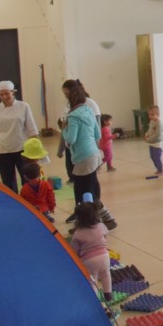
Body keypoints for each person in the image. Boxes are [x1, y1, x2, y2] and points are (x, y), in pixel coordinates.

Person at [62, 80, 116, 229]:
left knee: (81, 192)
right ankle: (107, 218)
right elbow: (97, 134)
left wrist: (64, 129)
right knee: (91, 188)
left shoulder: (73, 116)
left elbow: (71, 138)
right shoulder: (88, 111)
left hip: (82, 157)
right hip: (93, 154)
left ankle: (86, 223)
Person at [0, 80, 39, 193]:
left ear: (13, 92)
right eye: (1, 94)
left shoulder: (23, 106)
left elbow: (32, 129)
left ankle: (28, 203)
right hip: (2, 151)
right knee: (8, 182)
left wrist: (36, 152)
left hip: (22, 149)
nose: (4, 96)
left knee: (27, 179)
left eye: (6, 93)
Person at [57, 79, 101, 185]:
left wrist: (96, 149)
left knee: (86, 182)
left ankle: (89, 200)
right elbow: (65, 128)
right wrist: (61, 149)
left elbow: (97, 131)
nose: (66, 97)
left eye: (67, 94)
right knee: (85, 180)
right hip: (78, 149)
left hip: (85, 150)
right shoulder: (71, 107)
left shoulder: (89, 105)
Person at [70, 199, 112, 303]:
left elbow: (74, 251)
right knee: (106, 274)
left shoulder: (78, 234)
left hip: (89, 260)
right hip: (104, 256)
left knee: (92, 281)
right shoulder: (101, 226)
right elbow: (105, 236)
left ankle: (95, 302)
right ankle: (108, 294)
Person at [144, 105, 163, 176]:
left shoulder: (159, 123)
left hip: (157, 144)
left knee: (157, 157)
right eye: (149, 114)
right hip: (151, 143)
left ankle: (160, 169)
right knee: (152, 157)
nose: (150, 116)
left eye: (152, 114)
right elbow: (150, 130)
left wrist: (148, 139)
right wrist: (146, 134)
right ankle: (158, 168)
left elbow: (157, 134)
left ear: (158, 115)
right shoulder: (152, 121)